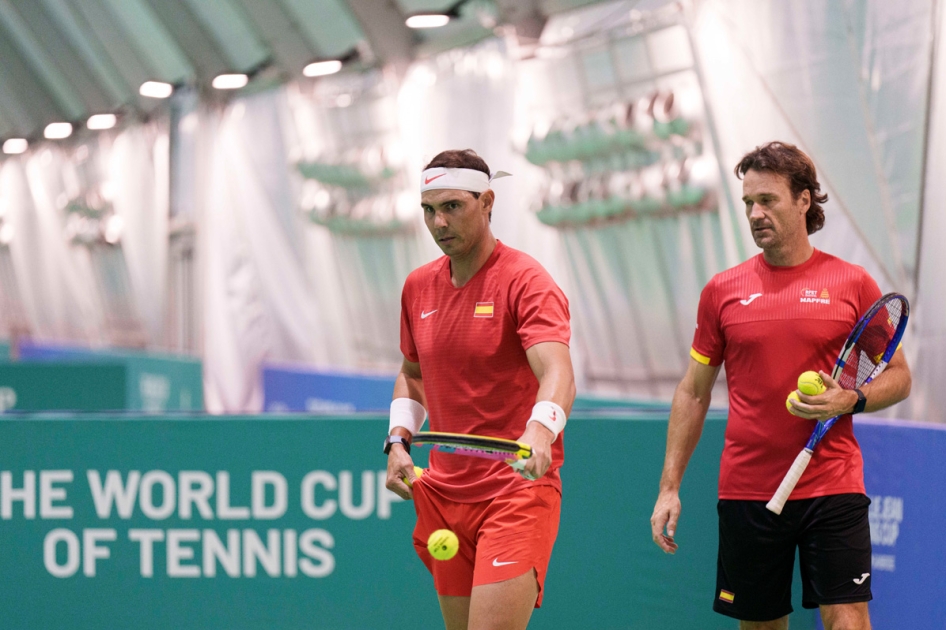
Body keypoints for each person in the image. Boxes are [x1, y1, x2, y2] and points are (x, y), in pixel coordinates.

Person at [650, 141, 911, 630]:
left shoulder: (852, 283)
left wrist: (850, 398)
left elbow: (899, 377)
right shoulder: (722, 291)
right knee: (762, 625)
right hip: (749, 489)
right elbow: (693, 392)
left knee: (849, 620)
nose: (754, 213)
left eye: (767, 200)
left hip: (833, 482)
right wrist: (670, 488)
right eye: (748, 201)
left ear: (804, 201)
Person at [384, 149, 576, 630]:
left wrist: (541, 431)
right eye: (429, 209)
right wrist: (397, 440)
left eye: (453, 206)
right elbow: (413, 373)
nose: (438, 222)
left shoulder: (527, 281)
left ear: (487, 202)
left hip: (515, 491)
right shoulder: (416, 287)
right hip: (443, 495)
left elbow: (558, 372)